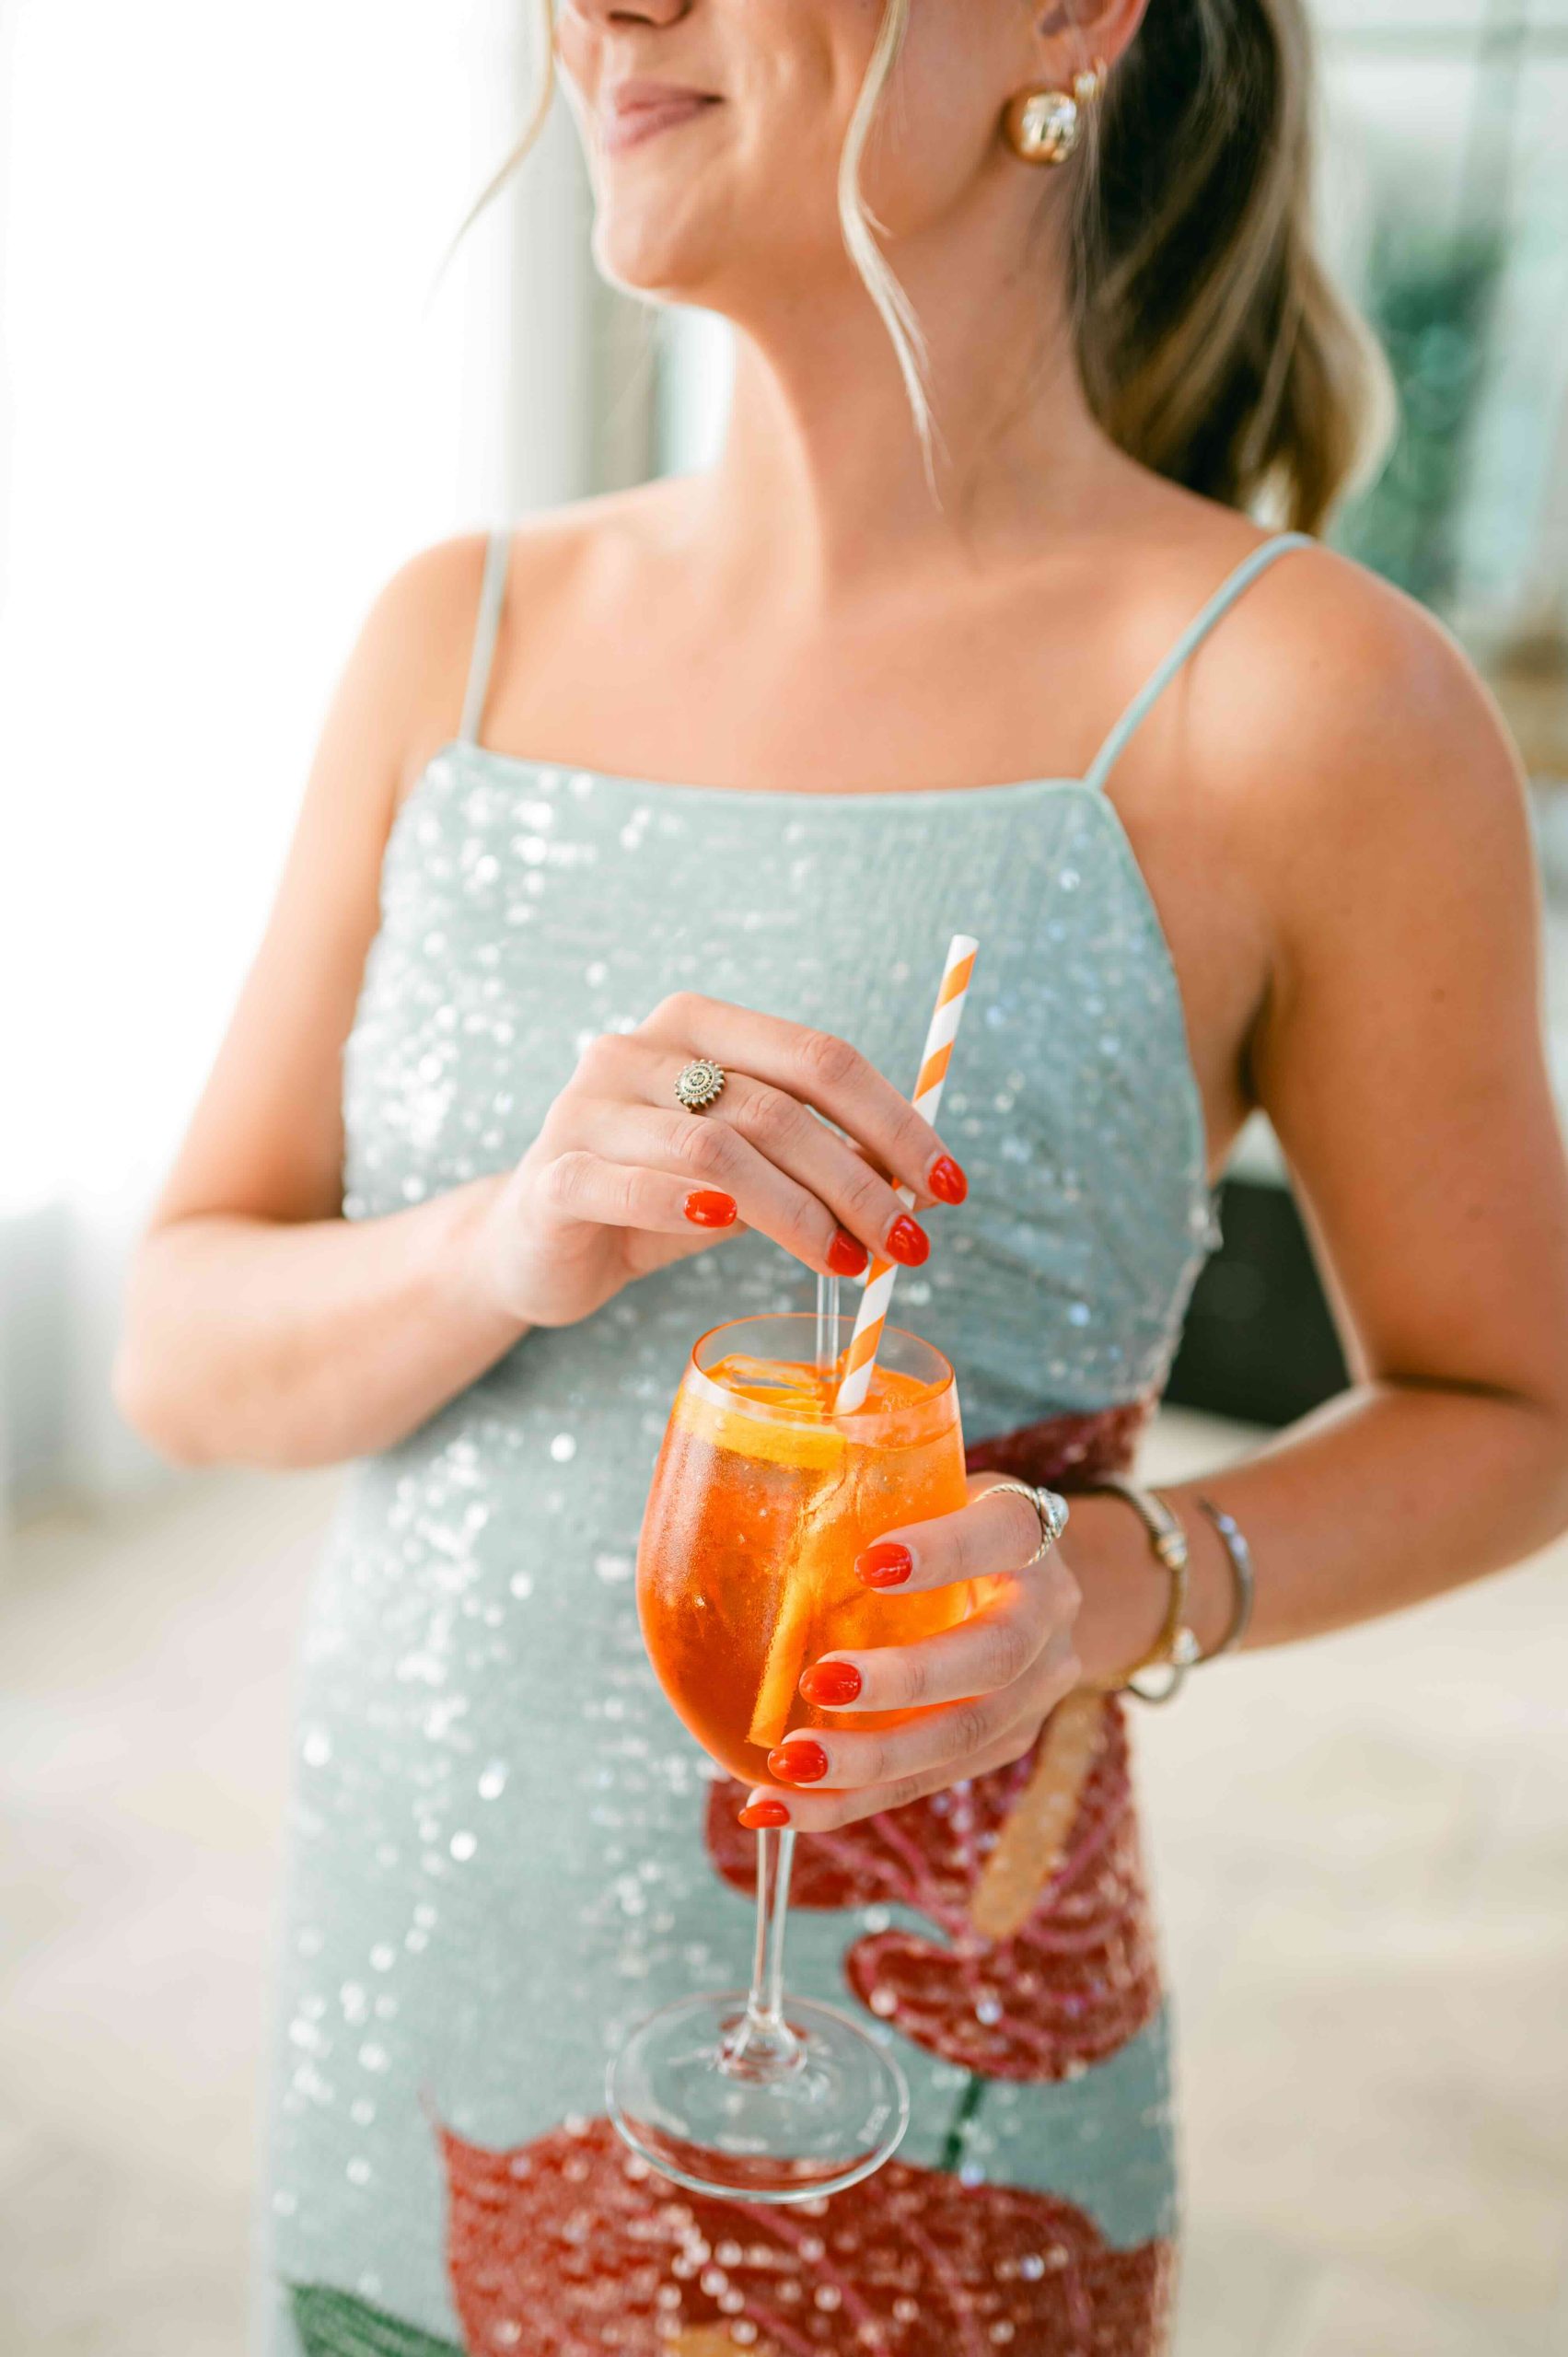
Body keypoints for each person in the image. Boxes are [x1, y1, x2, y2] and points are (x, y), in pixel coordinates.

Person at [114, 0, 1568, 2350]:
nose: (605, 9)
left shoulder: (1310, 702)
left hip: (926, 2080)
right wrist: (505, 1238)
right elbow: (180, 1349)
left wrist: (1118, 1584)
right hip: (413, 1984)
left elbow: (1522, 1410)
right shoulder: (448, 635)